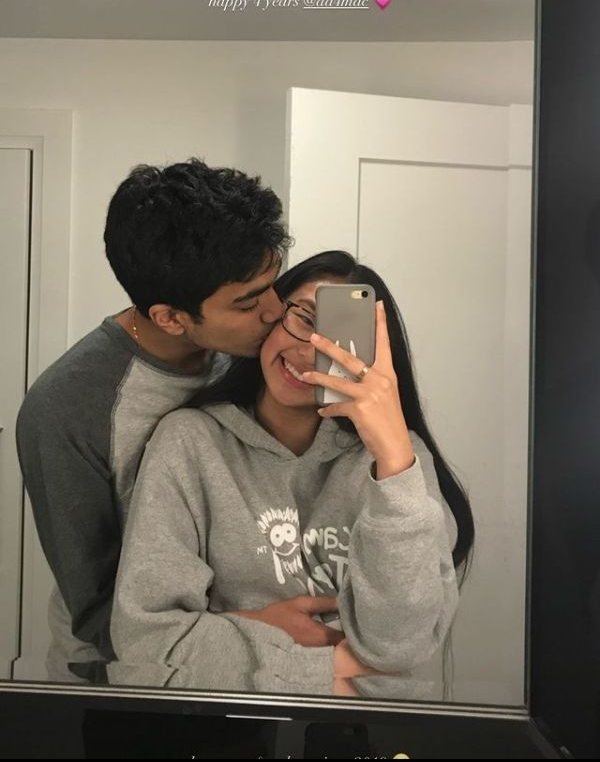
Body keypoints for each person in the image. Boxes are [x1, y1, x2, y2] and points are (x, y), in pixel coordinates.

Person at [110, 251, 474, 696]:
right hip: (231, 729)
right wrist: (330, 667)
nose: (310, 351)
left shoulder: (398, 463)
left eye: (339, 338)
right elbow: (148, 640)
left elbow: (402, 645)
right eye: (303, 318)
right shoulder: (190, 443)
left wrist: (394, 456)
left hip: (365, 735)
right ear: (272, 317)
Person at [16, 158, 290, 681]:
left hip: (267, 657)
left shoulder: (258, 351)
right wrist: (252, 630)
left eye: (273, 285)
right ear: (169, 317)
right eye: (249, 302)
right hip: (124, 674)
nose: (275, 311)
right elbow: (95, 604)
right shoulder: (67, 408)